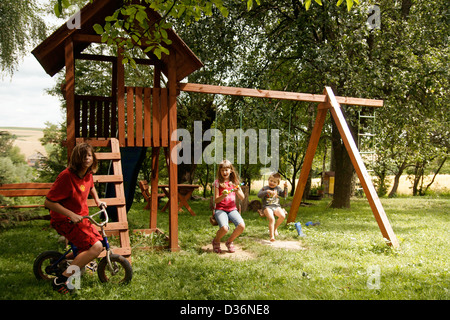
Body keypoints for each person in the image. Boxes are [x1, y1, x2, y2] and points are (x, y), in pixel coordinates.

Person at [44, 143, 106, 294]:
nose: (87, 158)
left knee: (97, 244)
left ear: (93, 158)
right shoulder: (66, 176)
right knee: (95, 247)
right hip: (64, 220)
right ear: (77, 158)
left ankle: (63, 262)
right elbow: (48, 202)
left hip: (81, 218)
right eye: (83, 156)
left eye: (90, 155)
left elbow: (91, 186)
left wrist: (97, 201)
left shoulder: (88, 173)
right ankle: (61, 279)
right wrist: (70, 214)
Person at [212, 159, 245, 253]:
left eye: (227, 170)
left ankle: (229, 242)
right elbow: (216, 200)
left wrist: (237, 190)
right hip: (220, 209)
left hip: (232, 209)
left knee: (241, 226)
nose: (224, 172)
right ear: (220, 171)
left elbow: (242, 197)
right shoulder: (217, 183)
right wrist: (223, 195)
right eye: (222, 170)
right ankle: (216, 241)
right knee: (224, 228)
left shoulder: (234, 183)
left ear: (231, 170)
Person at [257, 172, 287, 241]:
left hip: (276, 206)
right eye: (271, 181)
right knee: (272, 219)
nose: (272, 183)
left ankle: (274, 228)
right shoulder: (265, 188)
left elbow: (284, 195)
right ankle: (272, 236)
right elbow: (259, 195)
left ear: (277, 183)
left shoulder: (278, 189)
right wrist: (267, 191)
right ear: (268, 180)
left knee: (282, 216)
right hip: (267, 207)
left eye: (274, 182)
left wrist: (285, 188)